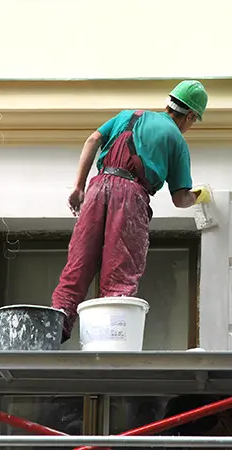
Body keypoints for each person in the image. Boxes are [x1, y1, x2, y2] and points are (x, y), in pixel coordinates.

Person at [51, 80, 211, 342]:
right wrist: (198, 196)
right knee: (120, 273)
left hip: (97, 187)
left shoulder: (128, 115)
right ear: (191, 116)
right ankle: (108, 343)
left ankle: (54, 330)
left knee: (78, 265)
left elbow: (92, 139)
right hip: (130, 196)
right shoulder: (176, 140)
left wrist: (79, 187)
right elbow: (180, 199)